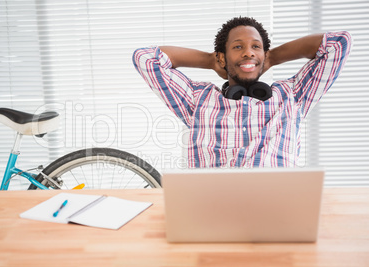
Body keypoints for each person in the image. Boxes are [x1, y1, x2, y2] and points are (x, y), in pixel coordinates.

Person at [133, 16, 351, 168]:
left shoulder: (292, 96)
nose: (248, 52)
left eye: (256, 47)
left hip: (275, 212)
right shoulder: (197, 100)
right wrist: (210, 61)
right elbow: (146, 58)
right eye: (238, 47)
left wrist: (272, 57)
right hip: (213, 213)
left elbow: (337, 43)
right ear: (222, 57)